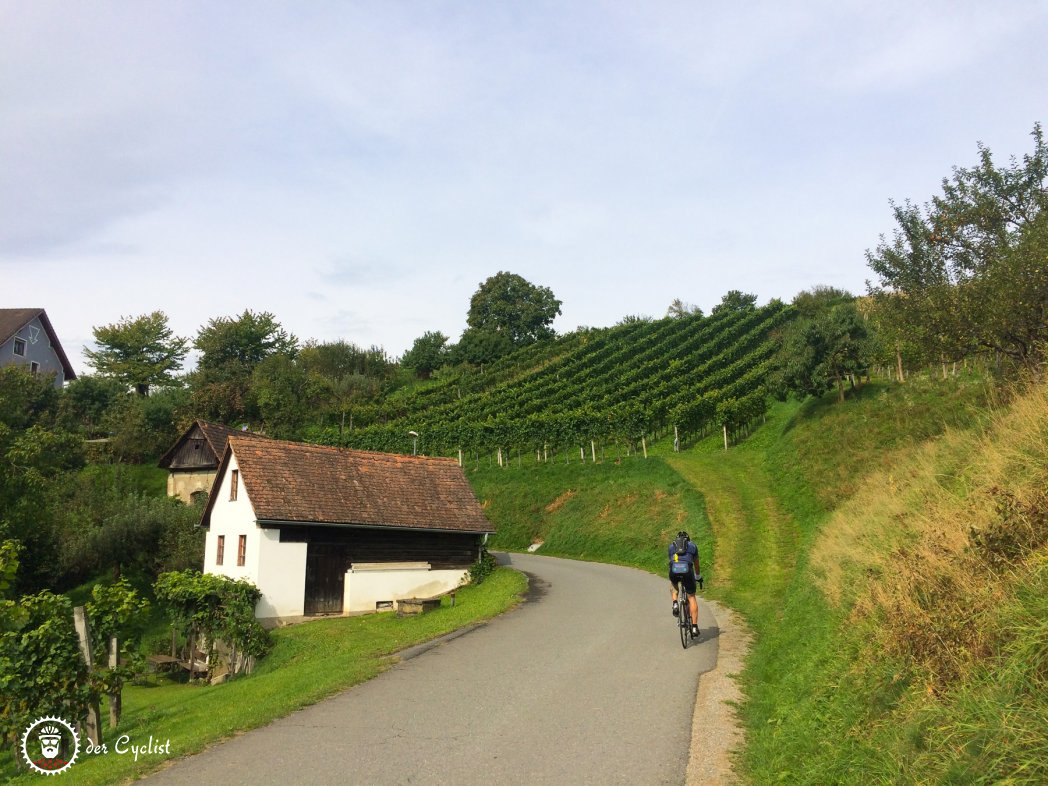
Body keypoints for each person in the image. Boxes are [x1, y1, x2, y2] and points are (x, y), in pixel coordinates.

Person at [668, 530, 700, 638]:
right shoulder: (693, 546)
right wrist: (698, 576)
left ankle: (675, 603)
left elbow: (671, 561)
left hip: (674, 571)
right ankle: (694, 627)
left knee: (673, 585)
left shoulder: (671, 546)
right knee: (691, 597)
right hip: (687, 571)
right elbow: (696, 564)